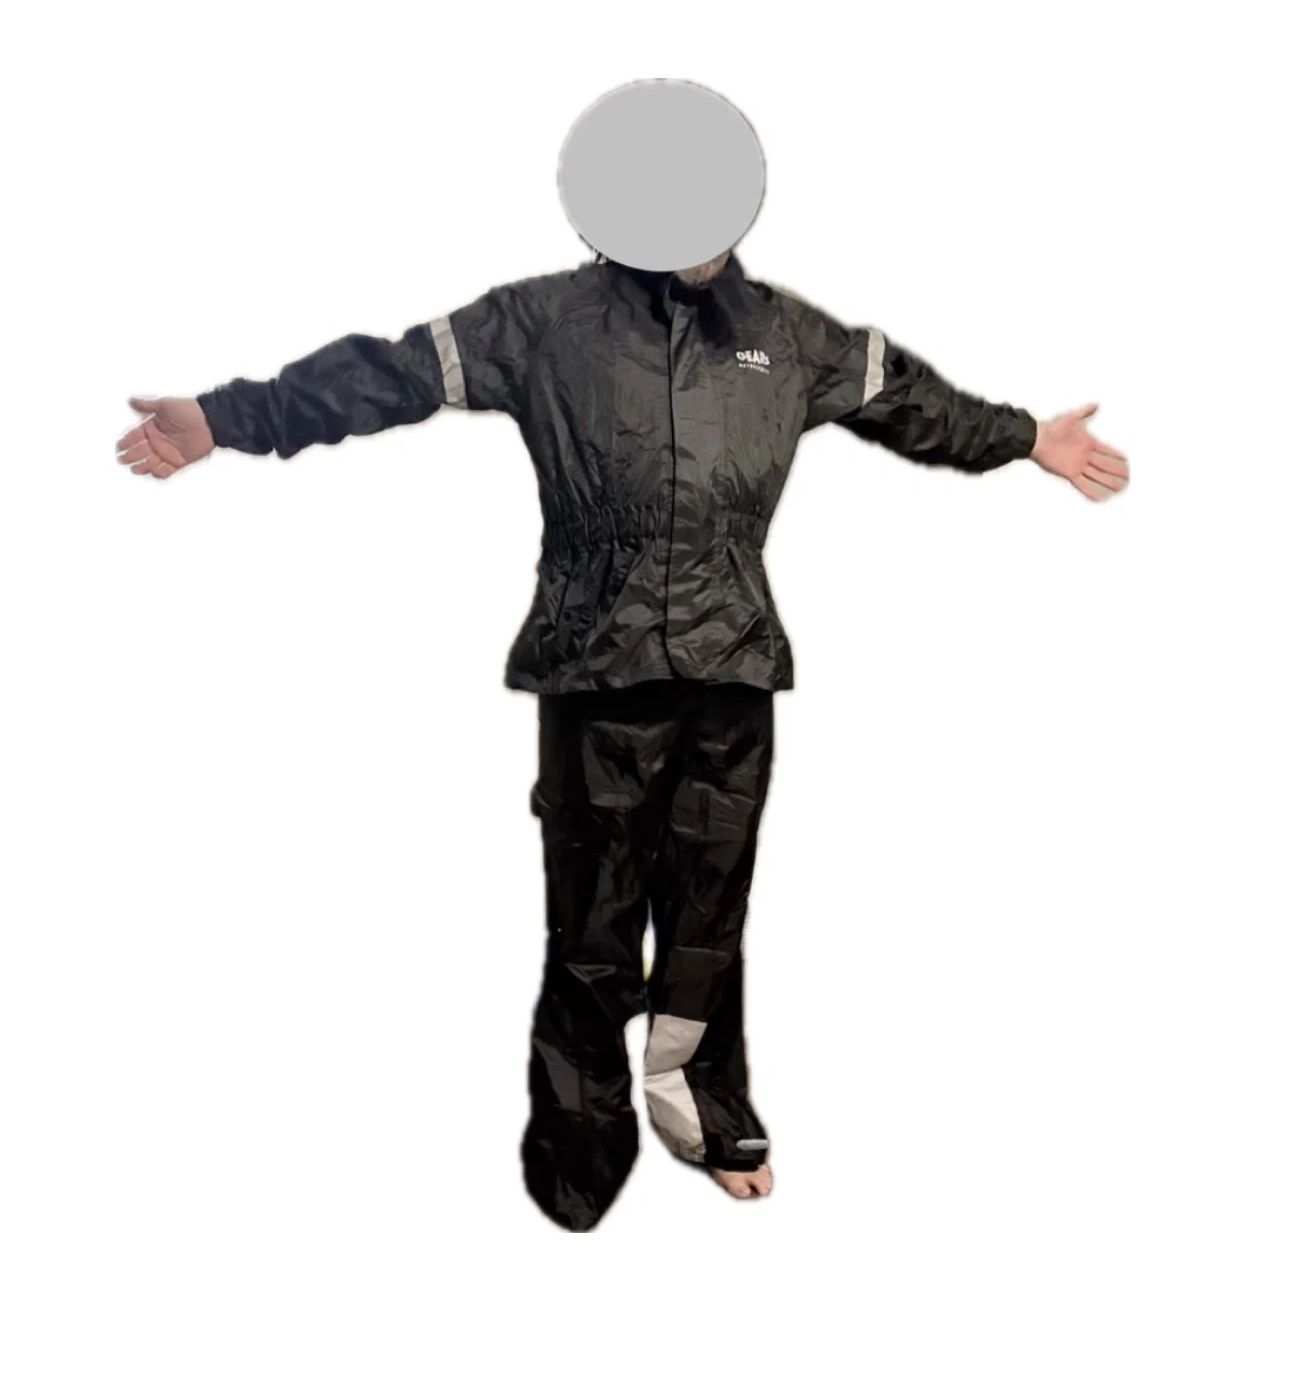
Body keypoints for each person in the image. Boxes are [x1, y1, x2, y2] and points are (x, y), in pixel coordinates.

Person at [115, 244, 1129, 1231]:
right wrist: (226, 418)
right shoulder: (544, 321)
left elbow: (908, 399)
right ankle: (580, 1145)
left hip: (730, 670)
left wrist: (1024, 437)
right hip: (595, 671)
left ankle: (705, 1114)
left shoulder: (782, 333)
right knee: (592, 933)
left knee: (707, 920)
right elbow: (387, 373)